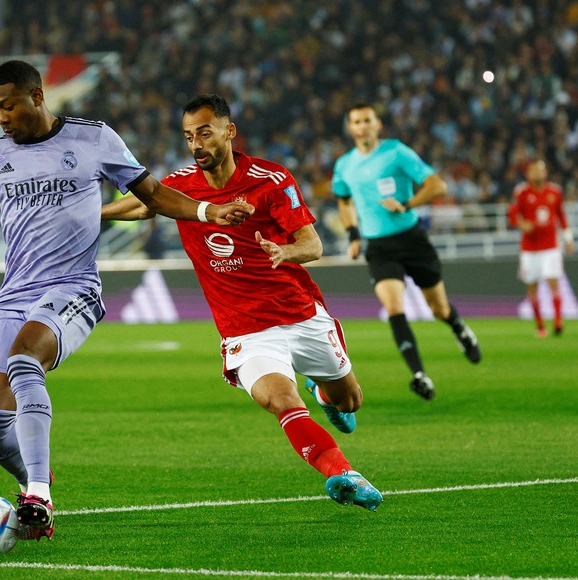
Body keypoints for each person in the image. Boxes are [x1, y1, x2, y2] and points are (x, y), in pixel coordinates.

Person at [0, 60, 253, 540]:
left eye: (8, 105)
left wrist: (208, 211)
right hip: (14, 294)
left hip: (74, 288)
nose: (1, 116)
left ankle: (36, 499)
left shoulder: (94, 139)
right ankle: (37, 478)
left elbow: (153, 195)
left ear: (37, 96)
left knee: (24, 360)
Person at [102, 94, 383, 512]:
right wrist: (95, 213)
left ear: (229, 132)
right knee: (282, 401)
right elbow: (146, 204)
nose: (196, 144)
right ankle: (342, 473)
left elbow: (313, 243)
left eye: (204, 133)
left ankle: (328, 396)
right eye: (188, 136)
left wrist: (284, 253)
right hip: (245, 329)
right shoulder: (180, 183)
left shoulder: (271, 180)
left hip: (299, 313)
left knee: (349, 401)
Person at [331, 103, 481, 401]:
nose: (362, 126)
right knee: (394, 308)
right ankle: (419, 375)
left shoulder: (396, 152)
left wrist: (408, 205)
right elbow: (344, 201)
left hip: (412, 239)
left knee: (439, 309)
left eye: (367, 120)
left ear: (378, 124)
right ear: (350, 128)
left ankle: (458, 327)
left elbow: (438, 185)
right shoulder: (344, 165)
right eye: (356, 121)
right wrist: (353, 234)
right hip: (379, 246)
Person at [508, 159, 574, 337]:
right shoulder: (521, 192)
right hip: (529, 248)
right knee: (532, 286)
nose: (537, 173)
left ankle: (558, 321)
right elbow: (512, 215)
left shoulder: (555, 191)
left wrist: (568, 239)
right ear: (528, 173)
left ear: (545, 173)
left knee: (554, 282)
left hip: (550, 245)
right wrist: (522, 224)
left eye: (540, 170)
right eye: (533, 170)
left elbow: (561, 216)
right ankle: (540, 325)